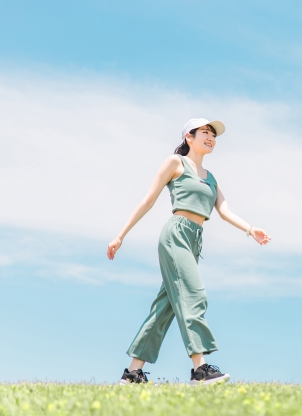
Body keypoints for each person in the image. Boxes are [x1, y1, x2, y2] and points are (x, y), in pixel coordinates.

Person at [107, 118, 271, 385]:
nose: (210, 138)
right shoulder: (176, 163)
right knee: (193, 295)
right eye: (205, 133)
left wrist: (251, 229)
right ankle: (200, 369)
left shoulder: (211, 178)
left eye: (213, 135)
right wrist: (120, 235)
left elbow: (224, 210)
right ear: (189, 137)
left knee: (166, 306)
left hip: (195, 239)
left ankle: (133, 373)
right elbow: (148, 200)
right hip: (176, 234)